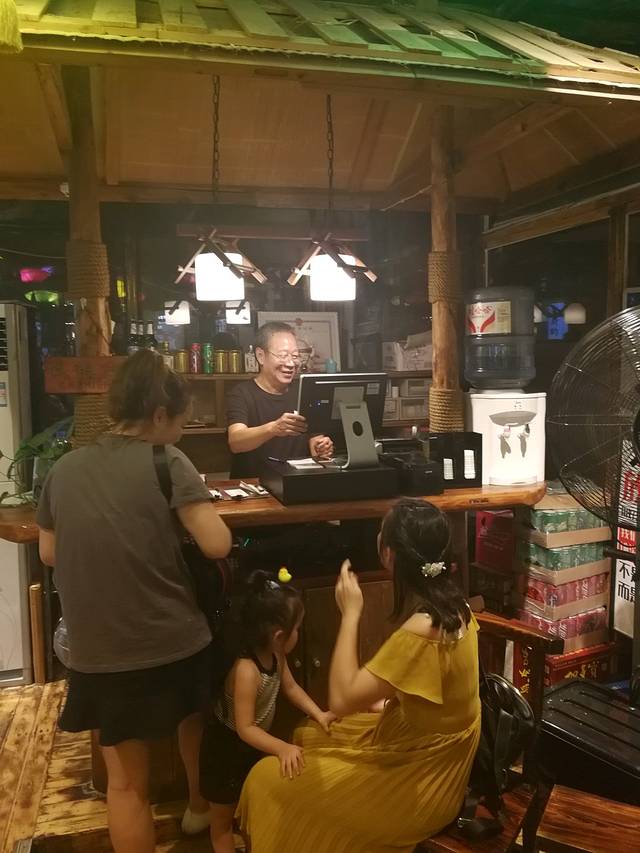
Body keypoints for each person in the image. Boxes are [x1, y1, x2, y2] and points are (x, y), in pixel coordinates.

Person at [37, 350, 233, 853]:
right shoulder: (167, 461)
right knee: (193, 720)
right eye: (181, 422)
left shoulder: (65, 468)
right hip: (172, 641)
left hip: (97, 652)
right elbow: (217, 545)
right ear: (159, 415)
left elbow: (49, 553)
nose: (181, 433)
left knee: (125, 786)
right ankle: (198, 807)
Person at [237, 499, 481, 853]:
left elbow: (340, 699)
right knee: (306, 733)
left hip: (426, 775)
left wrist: (350, 613)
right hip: (423, 741)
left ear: (389, 554)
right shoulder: (457, 605)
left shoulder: (422, 629)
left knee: (264, 779)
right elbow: (435, 685)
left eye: (382, 532)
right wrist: (391, 702)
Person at [199, 571, 335, 853]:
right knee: (222, 824)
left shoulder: (276, 654)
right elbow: (245, 727)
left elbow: (291, 688)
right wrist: (282, 748)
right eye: (297, 629)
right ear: (279, 635)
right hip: (225, 753)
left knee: (252, 810)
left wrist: (319, 713)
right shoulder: (247, 670)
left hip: (253, 747)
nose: (299, 634)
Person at [226, 321, 333, 478]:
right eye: (283, 355)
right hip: (255, 485)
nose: (290, 363)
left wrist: (321, 447)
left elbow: (315, 439)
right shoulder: (241, 393)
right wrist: (274, 428)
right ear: (261, 356)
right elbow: (236, 442)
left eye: (295, 356)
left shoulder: (304, 391)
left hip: (297, 481)